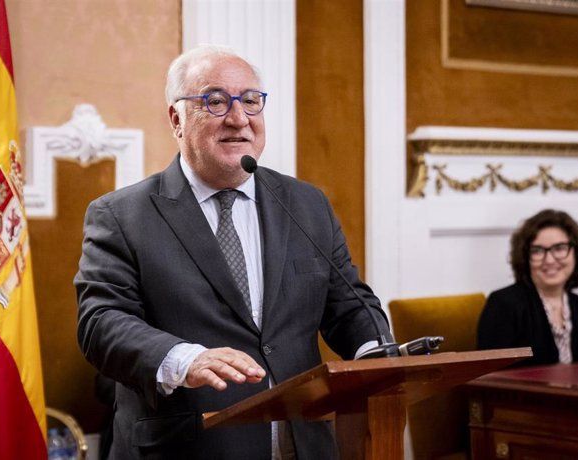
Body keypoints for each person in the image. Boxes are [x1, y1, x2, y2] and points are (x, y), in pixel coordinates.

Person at [74, 45, 392, 459]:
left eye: (251, 101)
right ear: (177, 119)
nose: (239, 118)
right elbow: (101, 322)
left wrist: (377, 353)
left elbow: (349, 305)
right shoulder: (121, 215)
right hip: (188, 447)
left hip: (303, 444)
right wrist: (184, 360)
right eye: (216, 101)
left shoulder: (306, 204)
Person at [477, 209, 578, 366]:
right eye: (537, 251)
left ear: (576, 253)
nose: (549, 260)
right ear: (525, 257)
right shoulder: (503, 304)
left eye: (559, 248)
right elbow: (490, 374)